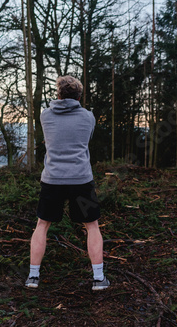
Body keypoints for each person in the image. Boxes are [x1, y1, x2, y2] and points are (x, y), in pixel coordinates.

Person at [25, 75, 109, 291]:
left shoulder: (45, 116)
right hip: (81, 179)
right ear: (79, 96)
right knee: (92, 226)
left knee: (42, 225)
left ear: (58, 94)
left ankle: (33, 277)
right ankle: (99, 279)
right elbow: (85, 139)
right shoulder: (88, 117)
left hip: (52, 179)